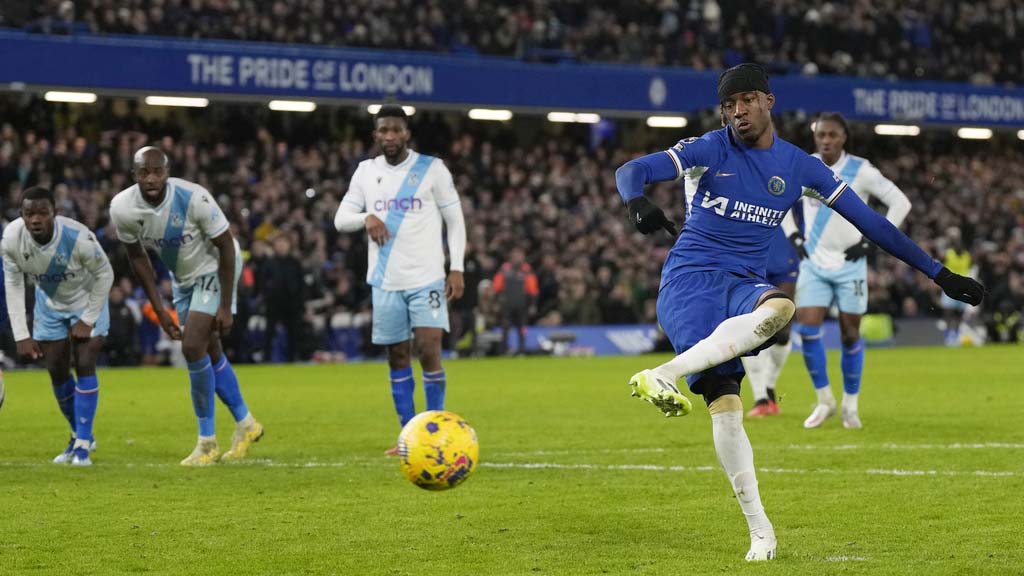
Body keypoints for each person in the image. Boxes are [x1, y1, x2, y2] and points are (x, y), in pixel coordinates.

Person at [615, 63, 983, 561]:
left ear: (769, 100)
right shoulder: (710, 148)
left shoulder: (799, 166)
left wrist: (939, 274)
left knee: (781, 307)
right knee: (726, 403)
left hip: (744, 285)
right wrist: (635, 200)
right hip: (690, 283)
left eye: (746, 99)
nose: (737, 111)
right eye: (729, 104)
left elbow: (873, 222)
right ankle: (760, 530)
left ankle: (664, 376)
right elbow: (631, 169)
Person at [110, 147, 263, 466]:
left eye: (157, 171)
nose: (151, 178)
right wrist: (160, 308)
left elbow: (226, 246)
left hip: (215, 267)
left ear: (167, 172)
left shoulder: (195, 198)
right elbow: (137, 258)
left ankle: (206, 442)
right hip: (181, 276)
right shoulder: (123, 208)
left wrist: (225, 306)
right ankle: (246, 423)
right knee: (212, 351)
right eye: (144, 172)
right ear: (133, 175)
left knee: (193, 347)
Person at [334, 105, 466, 455]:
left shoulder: (432, 169)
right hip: (385, 280)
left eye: (396, 130)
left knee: (429, 349)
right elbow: (340, 218)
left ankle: (435, 432)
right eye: (383, 131)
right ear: (375, 135)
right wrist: (367, 218)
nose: (390, 136)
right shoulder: (365, 172)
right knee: (397, 356)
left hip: (427, 277)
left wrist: (457, 268)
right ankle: (409, 436)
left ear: (406, 133)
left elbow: (455, 220)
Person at [783, 112, 912, 429]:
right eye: (821, 135)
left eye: (832, 135)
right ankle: (824, 399)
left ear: (844, 138)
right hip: (814, 262)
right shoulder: (804, 166)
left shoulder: (861, 170)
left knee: (850, 333)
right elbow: (779, 200)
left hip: (851, 265)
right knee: (807, 327)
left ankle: (850, 406)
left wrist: (872, 242)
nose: (826, 140)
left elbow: (901, 203)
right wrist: (794, 235)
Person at [2, 186, 113, 466]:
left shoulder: (78, 238)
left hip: (88, 299)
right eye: (30, 214)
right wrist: (22, 335)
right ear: (21, 215)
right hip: (49, 305)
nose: (36, 219)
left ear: (55, 213)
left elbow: (105, 273)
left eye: (43, 213)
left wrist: (88, 320)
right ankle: (78, 434)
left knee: (85, 361)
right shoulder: (11, 239)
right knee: (56, 370)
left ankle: (83, 448)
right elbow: (13, 284)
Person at [260, 234, 305, 362]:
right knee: (269, 333)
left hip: (292, 304)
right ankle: (266, 359)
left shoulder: (295, 263)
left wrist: (300, 302)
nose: (281, 246)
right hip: (273, 304)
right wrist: (266, 297)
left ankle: (292, 359)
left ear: (289, 245)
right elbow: (262, 283)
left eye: (284, 243)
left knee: (293, 334)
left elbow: (301, 285)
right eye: (278, 243)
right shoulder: (269, 263)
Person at [491, 246, 539, 354]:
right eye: (515, 255)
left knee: (522, 328)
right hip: (507, 304)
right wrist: (495, 302)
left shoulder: (527, 271)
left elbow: (533, 290)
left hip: (522, 305)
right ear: (511, 257)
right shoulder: (504, 270)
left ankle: (521, 350)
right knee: (505, 328)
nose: (517, 258)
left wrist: (533, 305)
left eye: (519, 255)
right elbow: (497, 287)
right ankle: (503, 350)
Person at [939, 227, 972, 346]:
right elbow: (940, 258)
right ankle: (948, 335)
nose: (958, 246)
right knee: (948, 312)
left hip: (963, 288)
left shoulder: (967, 256)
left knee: (958, 314)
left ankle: (956, 335)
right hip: (950, 286)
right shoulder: (948, 254)